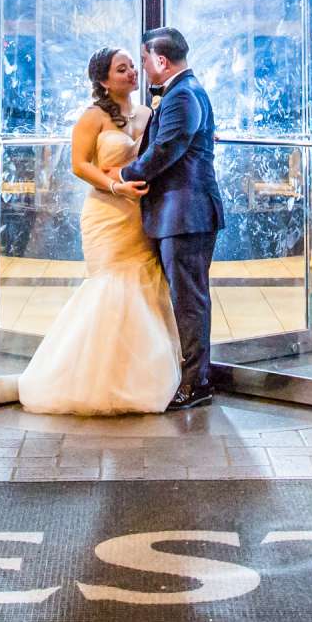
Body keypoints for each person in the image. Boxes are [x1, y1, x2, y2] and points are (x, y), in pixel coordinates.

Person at [15, 48, 181, 415]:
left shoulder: (149, 113)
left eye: (133, 67)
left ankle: (139, 376)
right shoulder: (92, 117)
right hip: (107, 212)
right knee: (110, 286)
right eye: (122, 69)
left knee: (144, 287)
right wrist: (115, 187)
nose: (132, 73)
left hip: (142, 212)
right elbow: (79, 164)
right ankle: (93, 379)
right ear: (104, 80)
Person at [122, 26, 223, 410]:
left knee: (189, 301)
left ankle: (197, 384)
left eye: (145, 60)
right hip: (179, 214)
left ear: (161, 61)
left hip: (186, 214)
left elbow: (166, 150)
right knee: (185, 298)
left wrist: (124, 175)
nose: (144, 68)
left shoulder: (183, 95)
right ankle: (188, 375)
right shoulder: (184, 92)